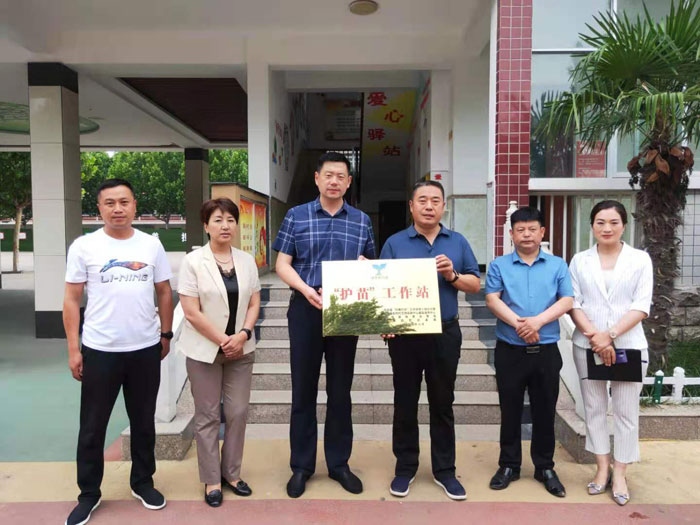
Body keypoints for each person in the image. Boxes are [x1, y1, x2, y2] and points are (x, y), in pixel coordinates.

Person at [63, 178, 173, 525]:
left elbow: (164, 291)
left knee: (143, 422)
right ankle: (88, 494)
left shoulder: (151, 245)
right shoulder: (84, 247)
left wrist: (165, 334)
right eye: (109, 203)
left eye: (124, 202)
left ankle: (143, 482)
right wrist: (74, 349)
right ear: (99, 208)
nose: (118, 209)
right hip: (100, 350)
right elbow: (71, 299)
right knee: (92, 427)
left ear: (135, 205)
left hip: (144, 349)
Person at [273, 151, 376, 498]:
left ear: (349, 182)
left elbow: (371, 263)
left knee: (340, 391)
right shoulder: (296, 215)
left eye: (340, 176)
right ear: (317, 178)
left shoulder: (361, 220)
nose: (334, 181)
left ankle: (339, 464)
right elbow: (282, 264)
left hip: (347, 310)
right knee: (303, 390)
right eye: (328, 175)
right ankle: (301, 466)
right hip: (306, 307)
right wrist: (305, 290)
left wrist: (365, 266)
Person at [379, 181, 481, 501]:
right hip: (405, 335)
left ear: (444, 206)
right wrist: (384, 323)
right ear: (411, 206)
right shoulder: (395, 243)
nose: (428, 206)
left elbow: (475, 284)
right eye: (422, 200)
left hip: (445, 333)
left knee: (442, 402)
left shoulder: (458, 242)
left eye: (435, 200)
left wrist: (452, 275)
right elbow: (381, 287)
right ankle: (405, 467)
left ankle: (445, 471)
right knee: (405, 402)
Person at [176, 198, 261, 507]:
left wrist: (243, 334)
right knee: (208, 415)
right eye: (218, 220)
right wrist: (224, 340)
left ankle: (232, 473)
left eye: (230, 220)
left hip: (242, 348)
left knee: (237, 412)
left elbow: (254, 302)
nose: (225, 226)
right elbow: (191, 311)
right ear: (206, 225)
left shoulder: (246, 260)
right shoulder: (193, 262)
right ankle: (212, 479)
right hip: (204, 351)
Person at [484, 206, 573, 498]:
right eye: (520, 230)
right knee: (509, 409)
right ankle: (509, 465)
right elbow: (492, 299)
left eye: (532, 229)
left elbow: (567, 300)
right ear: (511, 234)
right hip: (510, 350)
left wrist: (537, 322)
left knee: (544, 410)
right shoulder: (499, 265)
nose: (526, 234)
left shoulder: (558, 265)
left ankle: (544, 467)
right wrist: (520, 325)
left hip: (546, 350)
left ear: (542, 232)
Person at [568, 200, 652, 506]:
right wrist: (595, 337)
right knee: (594, 408)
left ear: (624, 226)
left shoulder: (640, 260)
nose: (607, 228)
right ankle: (602, 468)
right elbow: (573, 302)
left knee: (626, 413)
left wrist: (610, 335)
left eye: (614, 222)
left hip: (629, 345)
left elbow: (641, 305)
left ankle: (621, 473)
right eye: (600, 222)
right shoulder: (580, 260)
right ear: (591, 226)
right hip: (587, 345)